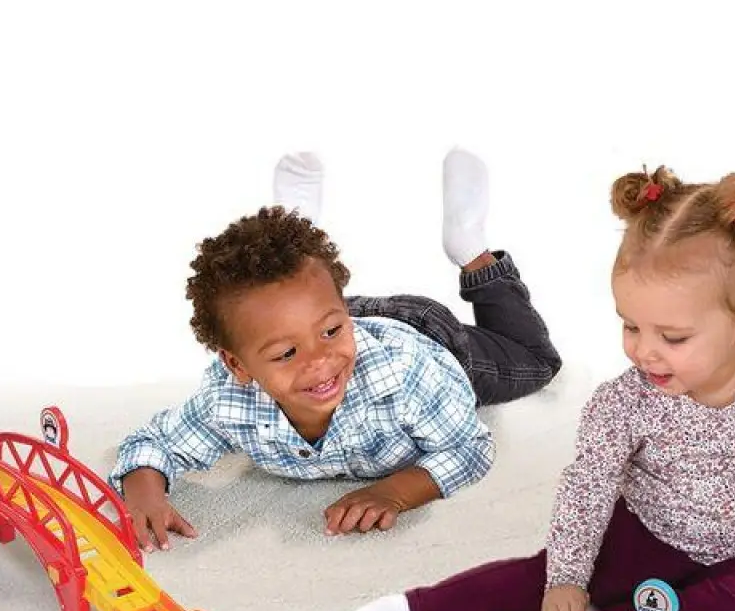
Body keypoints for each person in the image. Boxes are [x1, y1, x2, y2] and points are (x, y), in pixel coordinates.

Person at [346, 166, 735, 611]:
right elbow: (588, 489)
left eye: (673, 337)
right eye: (631, 326)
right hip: (643, 538)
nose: (645, 352)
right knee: (541, 581)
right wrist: (567, 579)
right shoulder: (624, 401)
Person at [112, 149, 562, 548]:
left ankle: (471, 248)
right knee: (301, 316)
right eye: (286, 354)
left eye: (328, 336)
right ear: (237, 365)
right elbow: (152, 442)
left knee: (537, 361)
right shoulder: (228, 400)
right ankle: (294, 234)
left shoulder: (408, 377)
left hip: (427, 337)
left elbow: (469, 448)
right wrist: (145, 494)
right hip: (325, 314)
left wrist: (395, 493)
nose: (319, 362)